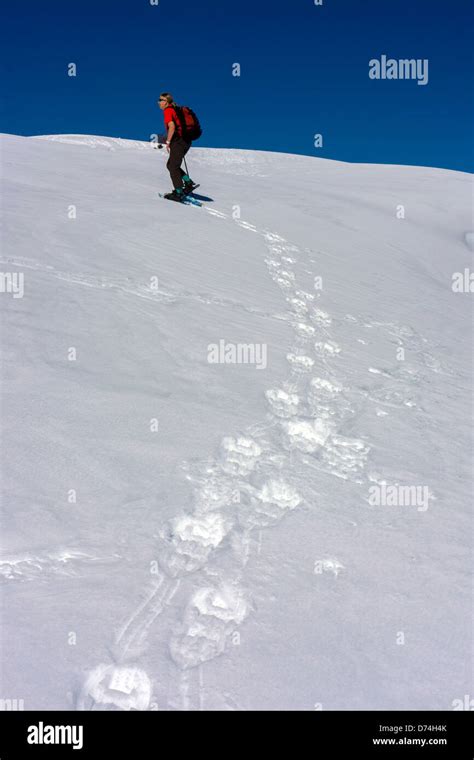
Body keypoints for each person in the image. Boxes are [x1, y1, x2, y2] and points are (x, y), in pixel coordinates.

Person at [157, 93, 196, 202]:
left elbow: (172, 126)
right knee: (171, 165)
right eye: (159, 100)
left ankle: (179, 192)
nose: (159, 102)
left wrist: (168, 141)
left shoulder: (168, 110)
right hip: (185, 141)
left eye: (161, 100)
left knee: (173, 166)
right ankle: (187, 182)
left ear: (167, 101)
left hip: (178, 141)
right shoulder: (175, 109)